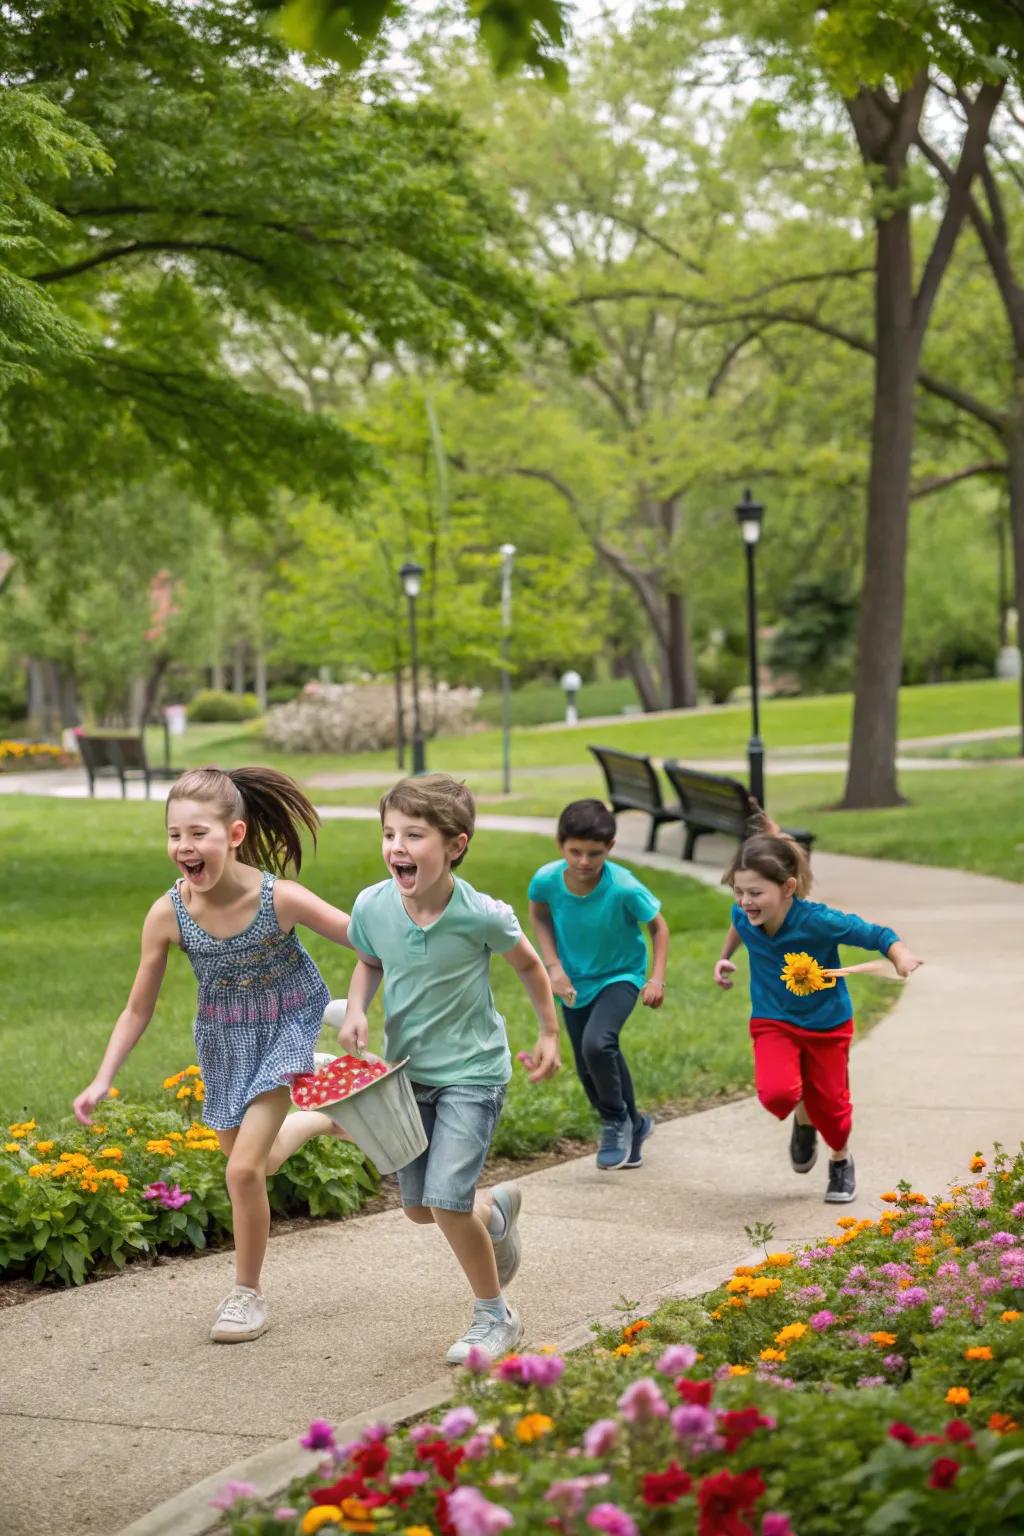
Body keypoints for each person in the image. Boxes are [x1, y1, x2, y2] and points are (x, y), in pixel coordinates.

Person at [73, 766, 354, 1344]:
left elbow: (368, 940)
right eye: (174, 835)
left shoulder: (281, 899)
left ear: (234, 834)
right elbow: (137, 1009)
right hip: (224, 1042)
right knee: (264, 1160)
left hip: (288, 1027)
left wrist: (368, 999)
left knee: (242, 1170)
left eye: (197, 833)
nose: (184, 847)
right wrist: (103, 1078)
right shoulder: (168, 915)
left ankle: (246, 1296)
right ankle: (330, 1113)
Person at [338, 773, 561, 1365]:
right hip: (408, 1076)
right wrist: (357, 1008)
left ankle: (496, 1315)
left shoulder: (481, 914)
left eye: (414, 835)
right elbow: (368, 961)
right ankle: (495, 1215)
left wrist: (546, 1032)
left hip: (473, 1073)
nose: (396, 848)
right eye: (389, 834)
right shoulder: (373, 905)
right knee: (419, 1207)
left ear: (455, 845)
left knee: (445, 1202)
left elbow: (531, 967)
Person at [714, 824, 922, 1203]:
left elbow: (875, 934)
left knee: (833, 1107)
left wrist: (900, 955)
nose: (745, 902)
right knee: (778, 1094)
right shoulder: (746, 912)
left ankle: (840, 1160)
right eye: (739, 892)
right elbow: (737, 922)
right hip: (773, 1019)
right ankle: (802, 1119)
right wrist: (725, 957)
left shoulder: (818, 921)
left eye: (756, 893)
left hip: (827, 1024)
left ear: (789, 888)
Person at [527, 799, 670, 1172]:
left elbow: (659, 927)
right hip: (574, 979)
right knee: (589, 1062)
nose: (584, 862)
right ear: (561, 845)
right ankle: (634, 1125)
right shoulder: (546, 880)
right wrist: (553, 966)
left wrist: (655, 978)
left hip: (621, 974)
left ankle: (614, 1121)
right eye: (575, 852)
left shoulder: (623, 887)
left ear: (610, 847)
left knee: (598, 1042)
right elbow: (539, 914)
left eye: (595, 853)